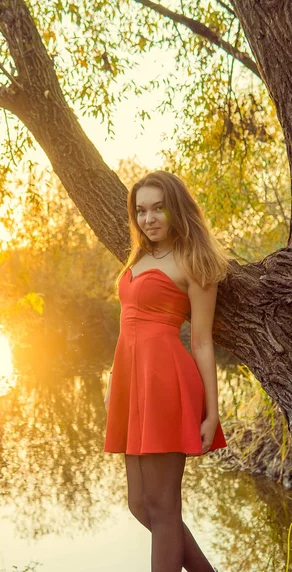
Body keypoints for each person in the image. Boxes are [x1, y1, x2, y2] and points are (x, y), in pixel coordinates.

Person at [103, 170, 229, 572]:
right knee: (140, 504)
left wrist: (212, 412)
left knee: (162, 505)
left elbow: (203, 342)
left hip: (165, 385)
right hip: (130, 385)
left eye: (159, 208)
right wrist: (112, 383)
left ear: (176, 209)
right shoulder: (139, 256)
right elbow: (128, 325)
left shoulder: (196, 262)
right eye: (141, 211)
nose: (149, 219)